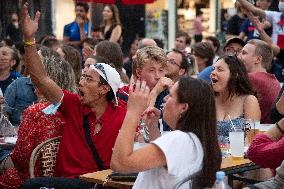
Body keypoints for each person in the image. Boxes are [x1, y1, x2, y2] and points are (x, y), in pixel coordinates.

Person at [19, 3, 127, 189]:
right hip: (67, 183)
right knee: (31, 186)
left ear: (104, 89)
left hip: (102, 185)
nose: (80, 83)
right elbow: (42, 79)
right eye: (82, 77)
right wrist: (29, 39)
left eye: (88, 79)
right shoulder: (74, 104)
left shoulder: (123, 115)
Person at [111, 77, 222, 188]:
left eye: (170, 95)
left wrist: (133, 112)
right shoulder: (195, 140)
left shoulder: (179, 139)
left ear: (183, 107)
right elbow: (165, 160)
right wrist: (153, 127)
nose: (165, 98)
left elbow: (119, 163)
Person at [0, 48, 77, 189]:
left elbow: (20, 159)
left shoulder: (35, 112)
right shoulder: (78, 110)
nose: (32, 81)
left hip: (31, 179)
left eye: (35, 78)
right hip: (66, 178)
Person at [211, 55, 261, 139]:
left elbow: (252, 139)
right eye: (213, 69)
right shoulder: (208, 98)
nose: (213, 72)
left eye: (220, 70)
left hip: (238, 152)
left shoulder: (248, 101)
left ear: (235, 75)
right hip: (208, 151)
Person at [238, 39, 280, 123]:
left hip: (254, 134)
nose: (238, 56)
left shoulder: (251, 78)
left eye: (244, 53)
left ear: (257, 59)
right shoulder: (276, 81)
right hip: (266, 133)